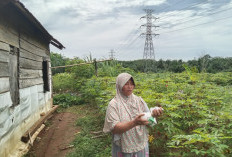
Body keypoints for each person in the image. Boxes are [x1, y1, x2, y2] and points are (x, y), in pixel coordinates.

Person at [103, 73, 163, 157]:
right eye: (126, 84)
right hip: (123, 147)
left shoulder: (139, 101)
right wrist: (134, 122)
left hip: (141, 144)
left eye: (131, 84)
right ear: (119, 86)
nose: (130, 86)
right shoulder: (114, 104)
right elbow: (115, 128)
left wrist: (153, 115)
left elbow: (149, 121)